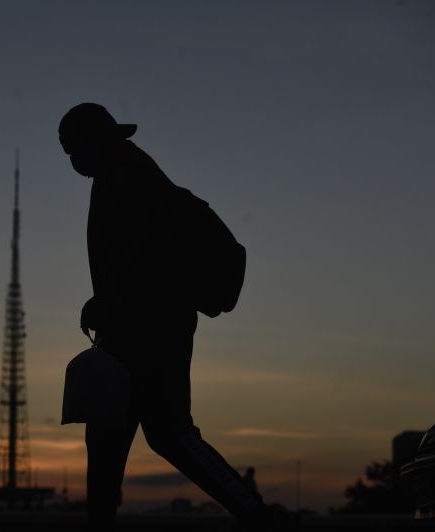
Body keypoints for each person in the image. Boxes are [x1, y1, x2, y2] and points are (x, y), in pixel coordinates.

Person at [58, 103, 291, 531]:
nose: (72, 161)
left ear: (90, 144)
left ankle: (258, 514)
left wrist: (110, 302)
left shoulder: (126, 175)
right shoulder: (127, 170)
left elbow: (148, 253)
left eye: (72, 150)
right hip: (146, 326)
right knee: (128, 436)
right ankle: (255, 513)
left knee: (163, 433)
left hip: (148, 330)